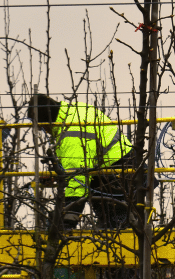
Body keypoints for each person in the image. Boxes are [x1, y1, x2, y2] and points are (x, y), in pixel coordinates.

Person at [28, 93, 133, 229]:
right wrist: (58, 174)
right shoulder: (72, 113)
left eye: (41, 127)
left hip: (119, 175)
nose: (45, 132)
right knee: (113, 221)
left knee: (116, 225)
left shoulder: (71, 132)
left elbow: (78, 178)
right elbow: (77, 163)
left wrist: (67, 219)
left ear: (46, 121)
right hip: (125, 168)